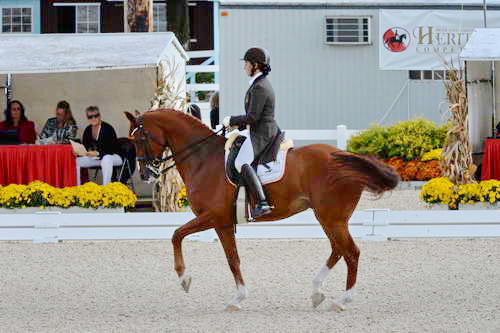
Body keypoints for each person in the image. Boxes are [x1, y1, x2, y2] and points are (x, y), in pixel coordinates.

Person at [222, 47, 278, 218]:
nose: (244, 67)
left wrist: (232, 120)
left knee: (241, 162)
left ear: (255, 65)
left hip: (262, 133)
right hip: (257, 130)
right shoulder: (257, 84)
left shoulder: (260, 87)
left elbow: (253, 117)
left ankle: (262, 203)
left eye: (246, 63)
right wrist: (236, 126)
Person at [76, 106, 123, 185]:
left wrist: (98, 153)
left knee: (106, 158)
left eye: (96, 116)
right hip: (97, 158)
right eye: (90, 117)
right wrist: (81, 152)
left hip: (114, 156)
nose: (93, 118)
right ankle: (77, 188)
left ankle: (105, 189)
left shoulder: (108, 128)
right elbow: (85, 146)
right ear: (87, 118)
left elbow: (112, 149)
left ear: (100, 116)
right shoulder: (88, 129)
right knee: (77, 161)